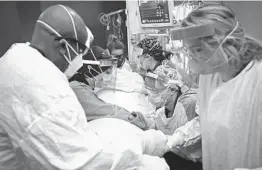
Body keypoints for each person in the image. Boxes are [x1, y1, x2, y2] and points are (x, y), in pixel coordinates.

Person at [0, 4, 184, 170]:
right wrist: (145, 143)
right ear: (63, 46)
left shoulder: (18, 63)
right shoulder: (34, 79)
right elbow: (80, 161)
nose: (78, 61)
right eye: (78, 53)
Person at [171, 2, 262, 170]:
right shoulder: (210, 75)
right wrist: (181, 136)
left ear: (224, 43)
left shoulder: (257, 81)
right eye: (188, 50)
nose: (191, 57)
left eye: (197, 50)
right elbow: (208, 118)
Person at [69, 45, 149, 129]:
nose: (110, 76)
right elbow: (105, 110)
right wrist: (135, 119)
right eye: (107, 72)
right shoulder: (77, 89)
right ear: (91, 69)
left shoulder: (82, 86)